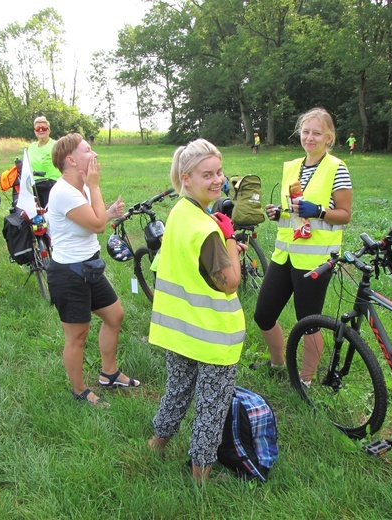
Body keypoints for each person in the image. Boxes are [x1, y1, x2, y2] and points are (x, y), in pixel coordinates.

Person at [147, 139, 246, 483]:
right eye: (208, 174)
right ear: (186, 177)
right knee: (211, 407)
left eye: (220, 172)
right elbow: (230, 282)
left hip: (180, 330)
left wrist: (221, 242)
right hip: (213, 335)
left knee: (177, 389)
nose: (217, 179)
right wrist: (229, 238)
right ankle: (200, 475)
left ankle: (156, 443)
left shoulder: (180, 212)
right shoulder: (207, 229)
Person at [253, 107, 352, 384]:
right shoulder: (292, 167)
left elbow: (344, 215)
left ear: (329, 137)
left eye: (316, 133)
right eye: (305, 132)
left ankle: (305, 381)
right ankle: (277, 364)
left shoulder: (337, 168)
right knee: (263, 314)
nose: (309, 138)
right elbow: (293, 211)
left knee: (308, 323)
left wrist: (318, 211)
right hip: (284, 254)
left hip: (316, 259)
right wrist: (279, 213)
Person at [46, 133, 135, 408]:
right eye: (87, 150)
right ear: (70, 160)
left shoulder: (79, 187)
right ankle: (80, 390)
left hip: (90, 267)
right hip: (69, 274)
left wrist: (107, 212)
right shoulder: (63, 192)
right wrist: (95, 188)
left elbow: (93, 219)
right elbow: (96, 226)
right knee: (78, 335)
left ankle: (109, 373)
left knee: (114, 316)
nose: (94, 154)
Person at [27, 116, 62, 209]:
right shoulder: (31, 147)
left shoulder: (56, 145)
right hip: (34, 185)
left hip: (52, 185)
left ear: (49, 130)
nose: (41, 130)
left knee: (49, 213)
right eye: (38, 128)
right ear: (34, 131)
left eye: (44, 128)